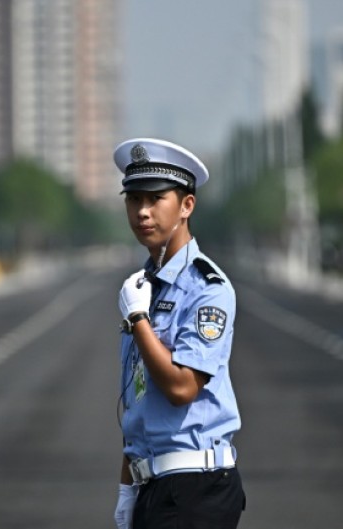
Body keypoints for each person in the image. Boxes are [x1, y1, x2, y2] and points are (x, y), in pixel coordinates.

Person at [113, 138, 245, 529]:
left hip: (196, 488)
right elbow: (140, 399)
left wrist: (138, 321)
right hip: (153, 485)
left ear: (187, 205)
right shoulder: (144, 288)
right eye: (134, 199)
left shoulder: (207, 289)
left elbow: (182, 387)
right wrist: (126, 490)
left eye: (155, 199)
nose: (142, 212)